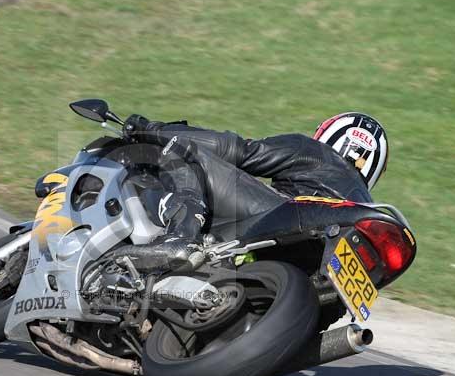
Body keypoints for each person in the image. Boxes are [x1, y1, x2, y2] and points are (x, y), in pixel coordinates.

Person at [108, 112, 389, 272]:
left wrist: (151, 129)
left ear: (329, 135)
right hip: (309, 266)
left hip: (283, 220)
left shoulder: (316, 152)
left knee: (187, 152)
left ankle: (180, 237)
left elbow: (237, 151)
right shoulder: (365, 206)